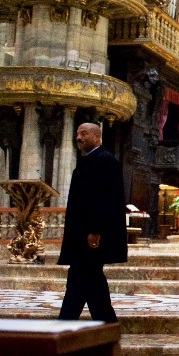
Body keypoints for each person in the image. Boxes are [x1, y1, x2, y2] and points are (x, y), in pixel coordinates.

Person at [57, 122, 127, 323]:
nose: (78, 137)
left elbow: (107, 199)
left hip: (92, 235)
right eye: (78, 133)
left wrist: (96, 230)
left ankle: (66, 324)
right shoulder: (89, 160)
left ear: (97, 137)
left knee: (83, 278)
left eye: (84, 134)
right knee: (86, 280)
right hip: (82, 233)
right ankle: (104, 323)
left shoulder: (106, 161)